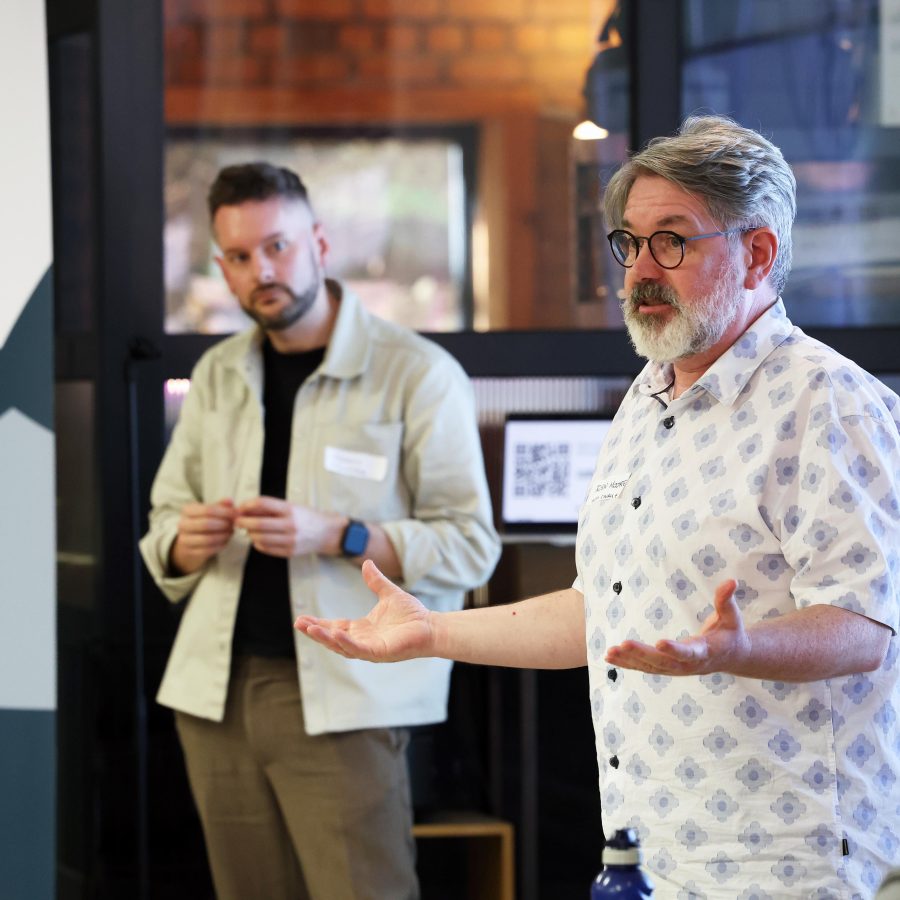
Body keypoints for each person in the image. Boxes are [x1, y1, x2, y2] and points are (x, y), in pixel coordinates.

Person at [296, 116, 900, 899]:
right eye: (630, 242)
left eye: (673, 241)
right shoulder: (645, 403)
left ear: (758, 254)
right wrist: (433, 632)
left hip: (795, 858)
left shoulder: (829, 402)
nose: (641, 270)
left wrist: (735, 649)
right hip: (653, 851)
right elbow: (600, 612)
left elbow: (864, 628)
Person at [139, 162, 500, 900]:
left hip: (345, 691)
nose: (260, 271)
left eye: (277, 247)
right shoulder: (215, 374)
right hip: (213, 693)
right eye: (239, 257)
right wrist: (187, 539)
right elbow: (160, 530)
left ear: (321, 243)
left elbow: (470, 544)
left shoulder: (416, 373)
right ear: (221, 267)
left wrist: (342, 533)